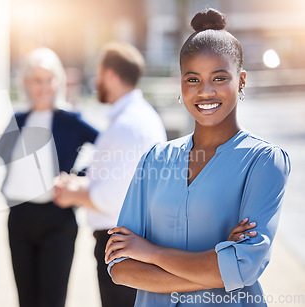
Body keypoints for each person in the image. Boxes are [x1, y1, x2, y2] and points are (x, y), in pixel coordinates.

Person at [105, 8, 291, 307]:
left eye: (219, 78)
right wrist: (218, 266)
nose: (205, 92)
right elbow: (120, 266)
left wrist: (150, 253)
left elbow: (246, 267)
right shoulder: (155, 159)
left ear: (241, 80)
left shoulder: (264, 161)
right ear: (180, 83)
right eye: (193, 79)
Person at [53, 42, 166, 307]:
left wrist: (70, 193)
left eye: (99, 74)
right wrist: (80, 184)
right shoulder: (134, 118)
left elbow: (113, 197)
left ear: (111, 75)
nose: (96, 81)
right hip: (128, 243)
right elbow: (117, 181)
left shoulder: (128, 124)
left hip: (122, 245)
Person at [0, 47, 98, 307]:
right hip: (19, 218)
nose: (42, 87)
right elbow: (1, 154)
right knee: (26, 300)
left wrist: (78, 178)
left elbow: (107, 147)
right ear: (27, 84)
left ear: (58, 82)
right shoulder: (17, 120)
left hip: (57, 220)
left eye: (48, 79)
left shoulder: (70, 120)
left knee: (52, 301)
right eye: (36, 80)